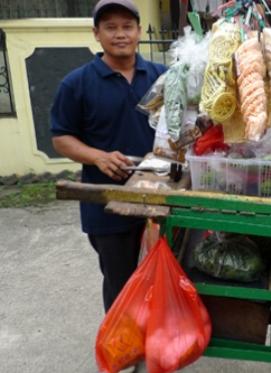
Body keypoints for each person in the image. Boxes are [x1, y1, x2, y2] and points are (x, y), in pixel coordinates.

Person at [50, 0, 167, 314]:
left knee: (164, 277)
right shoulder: (76, 84)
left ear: (139, 32)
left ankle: (157, 340)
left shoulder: (162, 77)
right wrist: (98, 157)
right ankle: (123, 349)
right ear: (96, 34)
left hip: (161, 199)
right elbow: (61, 138)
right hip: (106, 206)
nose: (120, 34)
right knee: (121, 284)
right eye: (110, 27)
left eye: (127, 26)